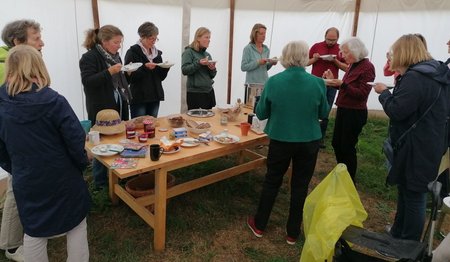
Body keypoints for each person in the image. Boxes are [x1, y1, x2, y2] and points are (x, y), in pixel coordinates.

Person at [0, 45, 91, 261]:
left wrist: (18, 169)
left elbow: (2, 152)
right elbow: (76, 140)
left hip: (27, 178)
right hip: (62, 177)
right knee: (76, 225)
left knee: (33, 229)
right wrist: (81, 163)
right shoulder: (54, 101)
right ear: (38, 67)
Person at [247, 41, 329, 245]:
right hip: (309, 140)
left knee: (272, 180)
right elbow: (324, 113)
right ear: (304, 58)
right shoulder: (318, 83)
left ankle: (260, 224)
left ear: (285, 58)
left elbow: (262, 112)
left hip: (281, 138)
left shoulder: (274, 82)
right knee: (300, 185)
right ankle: (292, 232)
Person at [373, 34, 449, 241]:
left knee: (414, 195)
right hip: (428, 140)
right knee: (407, 189)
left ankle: (409, 242)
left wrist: (383, 94)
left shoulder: (416, 77)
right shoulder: (436, 72)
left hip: (417, 144)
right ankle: (399, 232)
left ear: (404, 52)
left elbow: (398, 110)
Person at [0, 19, 45, 262]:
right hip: (17, 145)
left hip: (21, 144)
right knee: (16, 191)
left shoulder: (16, 62)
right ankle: (11, 244)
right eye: (36, 39)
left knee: (18, 189)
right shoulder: (5, 67)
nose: (42, 43)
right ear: (17, 42)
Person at [79, 24, 129, 189]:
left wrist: (126, 73)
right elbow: (88, 82)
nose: (119, 46)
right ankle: (100, 182)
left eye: (120, 42)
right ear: (104, 42)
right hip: (101, 108)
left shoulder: (116, 57)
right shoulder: (89, 58)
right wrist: (109, 72)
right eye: (116, 42)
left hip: (118, 104)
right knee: (101, 144)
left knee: (120, 139)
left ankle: (118, 174)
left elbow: (118, 82)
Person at [323, 37, 375, 182]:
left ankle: (348, 179)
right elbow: (346, 87)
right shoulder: (353, 65)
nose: (342, 56)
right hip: (344, 109)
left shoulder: (367, 67)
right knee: (336, 143)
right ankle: (341, 171)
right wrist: (333, 81)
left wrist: (343, 85)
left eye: (345, 53)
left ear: (355, 51)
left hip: (355, 112)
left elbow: (362, 94)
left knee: (347, 146)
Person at [307, 27, 348, 148]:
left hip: (332, 84)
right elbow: (305, 62)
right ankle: (309, 135)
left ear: (338, 39)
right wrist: (314, 59)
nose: (330, 42)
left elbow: (347, 68)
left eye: (333, 40)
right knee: (312, 108)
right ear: (324, 36)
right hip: (315, 83)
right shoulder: (316, 46)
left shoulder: (341, 49)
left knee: (326, 110)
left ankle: (320, 138)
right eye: (328, 39)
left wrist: (335, 61)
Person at [125, 22, 170, 118]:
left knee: (152, 126)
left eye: (155, 38)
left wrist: (165, 68)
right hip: (139, 97)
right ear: (142, 37)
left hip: (155, 96)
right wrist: (145, 68)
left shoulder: (157, 54)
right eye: (151, 38)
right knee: (139, 127)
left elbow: (161, 78)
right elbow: (130, 78)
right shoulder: (132, 52)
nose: (154, 41)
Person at [181, 27, 217, 110]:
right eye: (206, 37)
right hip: (195, 94)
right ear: (198, 38)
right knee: (196, 121)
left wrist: (212, 68)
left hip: (209, 92)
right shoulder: (188, 52)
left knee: (209, 121)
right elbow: (185, 70)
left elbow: (212, 76)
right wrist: (199, 63)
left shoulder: (207, 54)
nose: (209, 40)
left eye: (209, 38)